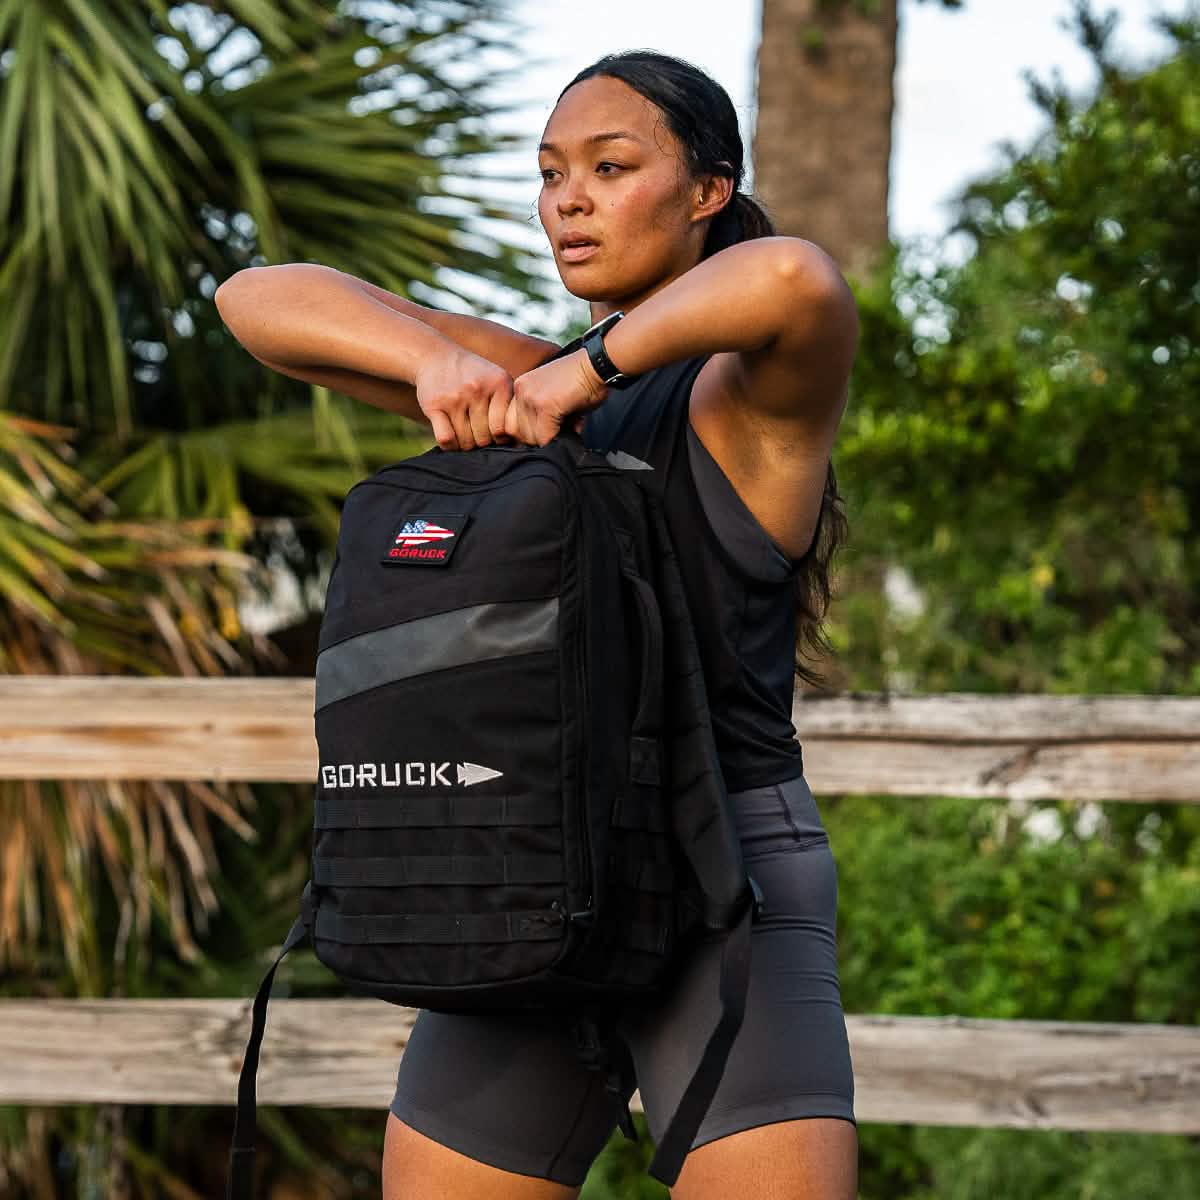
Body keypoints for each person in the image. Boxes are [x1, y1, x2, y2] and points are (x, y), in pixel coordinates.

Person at [215, 47, 858, 1200]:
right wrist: (438, 365)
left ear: (708, 190)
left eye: (611, 167)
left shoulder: (743, 398)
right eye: (552, 171)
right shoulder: (534, 380)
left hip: (727, 886)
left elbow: (797, 279)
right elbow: (253, 299)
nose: (568, 198)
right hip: (523, 867)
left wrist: (582, 375)